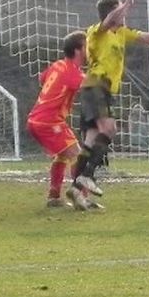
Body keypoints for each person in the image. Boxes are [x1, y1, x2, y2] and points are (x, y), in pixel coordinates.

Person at [72, 0, 149, 204]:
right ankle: (86, 176)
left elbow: (144, 37)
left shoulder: (121, 32)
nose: (125, 14)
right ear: (113, 12)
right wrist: (126, 4)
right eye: (120, 9)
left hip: (105, 90)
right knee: (109, 130)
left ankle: (76, 190)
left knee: (91, 140)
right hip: (96, 85)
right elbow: (109, 19)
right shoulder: (96, 31)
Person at [26, 31, 91, 209]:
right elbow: (91, 86)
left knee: (63, 155)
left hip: (37, 120)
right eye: (87, 46)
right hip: (48, 122)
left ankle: (54, 196)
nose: (89, 49)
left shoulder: (58, 65)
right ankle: (81, 196)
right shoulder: (73, 73)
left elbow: (43, 79)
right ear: (78, 50)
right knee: (78, 155)